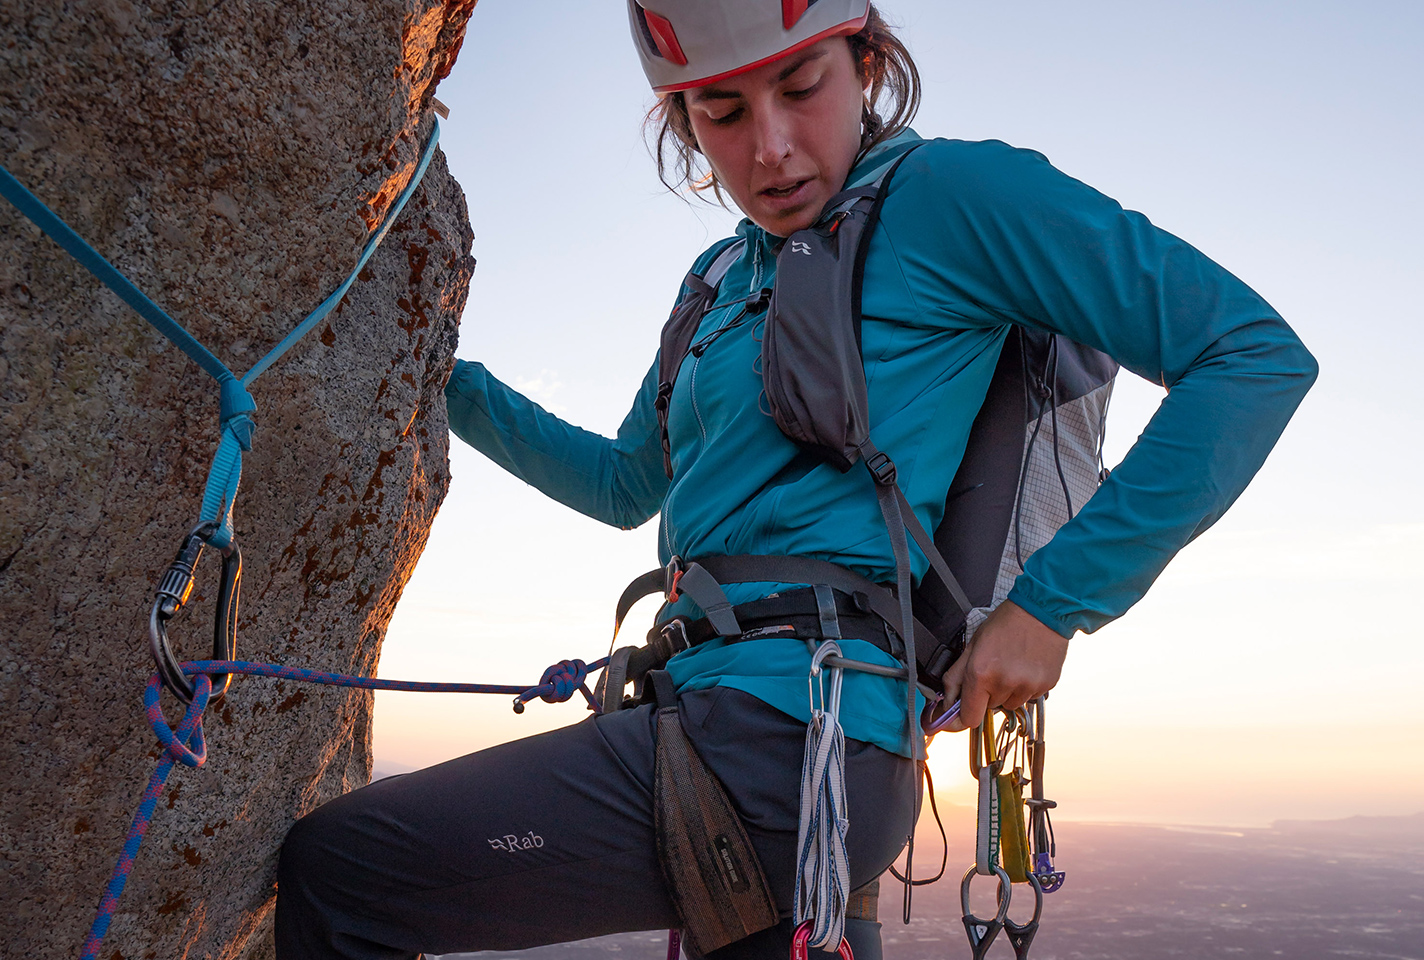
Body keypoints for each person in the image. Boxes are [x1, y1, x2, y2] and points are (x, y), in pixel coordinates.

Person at [275, 3, 1317, 958]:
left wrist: (1053, 606)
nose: (767, 147)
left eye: (801, 88)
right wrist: (435, 377)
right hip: (721, 725)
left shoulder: (951, 197)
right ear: (683, 123)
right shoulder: (717, 284)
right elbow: (623, 484)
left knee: (343, 874)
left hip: (793, 745)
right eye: (721, 112)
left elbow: (1248, 355)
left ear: (863, 62)